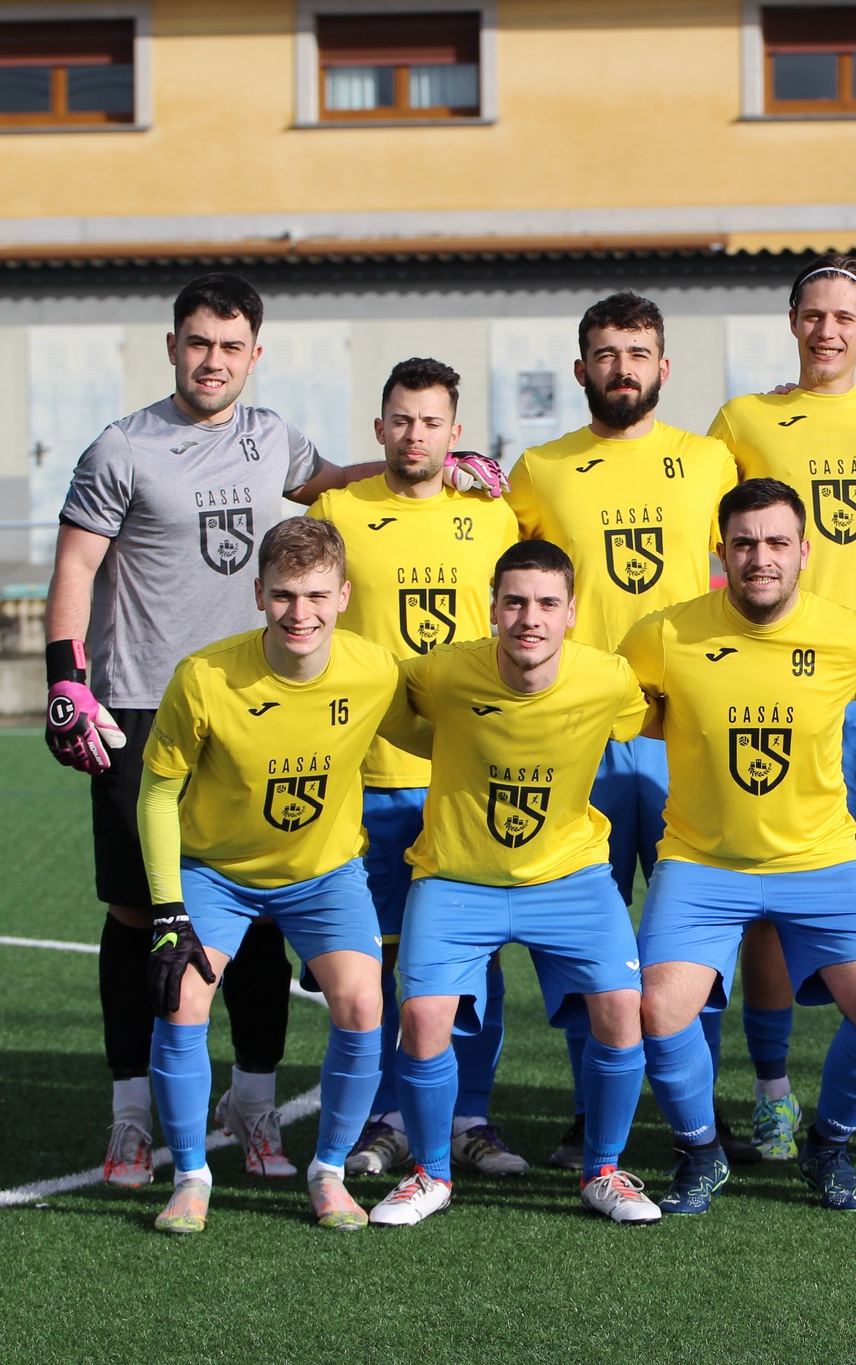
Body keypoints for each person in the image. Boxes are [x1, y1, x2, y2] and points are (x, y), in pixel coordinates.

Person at [48, 272, 366, 1188]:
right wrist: (66, 681)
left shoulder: (276, 439)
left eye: (231, 347)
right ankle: (130, 1116)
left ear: (255, 355)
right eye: (198, 343)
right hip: (144, 702)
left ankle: (253, 1100)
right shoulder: (122, 446)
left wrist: (435, 467)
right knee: (139, 912)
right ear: (172, 346)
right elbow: (75, 562)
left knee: (256, 910)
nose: (213, 360)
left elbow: (335, 485)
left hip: (254, 704)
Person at [502, 290, 748, 1167]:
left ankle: (700, 1111)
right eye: (606, 354)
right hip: (579, 737)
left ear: (663, 368)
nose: (622, 368)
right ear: (581, 369)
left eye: (638, 353)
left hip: (689, 730)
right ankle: (587, 1107)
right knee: (584, 931)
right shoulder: (538, 468)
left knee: (695, 929)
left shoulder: (712, 460)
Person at [620, 479, 856, 1215]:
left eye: (777, 542)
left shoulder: (849, 634)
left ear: (805, 551)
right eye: (744, 542)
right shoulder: (666, 634)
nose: (761, 557)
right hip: (700, 862)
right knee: (658, 1008)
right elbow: (624, 707)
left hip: (821, 861)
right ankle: (701, 1153)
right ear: (720, 550)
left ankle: (829, 1148)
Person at [706, 253, 856, 1163]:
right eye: (814, 314)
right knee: (766, 896)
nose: (828, 329)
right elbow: (688, 502)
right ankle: (771, 1091)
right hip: (766, 684)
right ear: (792, 321)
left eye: (846, 316)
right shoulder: (745, 417)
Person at [367, 539, 662, 1227]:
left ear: (571, 613)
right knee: (421, 1017)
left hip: (570, 876)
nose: (531, 617)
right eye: (516, 602)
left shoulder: (609, 679)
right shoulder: (443, 673)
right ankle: (431, 1174)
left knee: (621, 1008)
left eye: (547, 603)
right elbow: (391, 706)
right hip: (457, 875)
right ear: (493, 608)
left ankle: (604, 1170)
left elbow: (646, 718)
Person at [135, 516, 402, 1233]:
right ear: (258, 593)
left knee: (361, 1004)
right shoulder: (205, 677)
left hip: (323, 874)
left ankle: (330, 1170)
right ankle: (191, 1174)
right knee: (183, 999)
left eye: (317, 594)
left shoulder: (376, 670)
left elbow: (440, 727)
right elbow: (158, 790)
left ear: (344, 595)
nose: (300, 612)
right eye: (284, 593)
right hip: (215, 871)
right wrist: (167, 909)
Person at [307, 358, 524, 1180]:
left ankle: (470, 1114)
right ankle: (380, 1119)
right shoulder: (339, 510)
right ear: (379, 429)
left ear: (456, 433)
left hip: (464, 775)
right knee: (375, 958)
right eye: (401, 419)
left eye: (431, 421)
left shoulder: (490, 516)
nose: (415, 434)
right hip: (363, 774)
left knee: (473, 957)